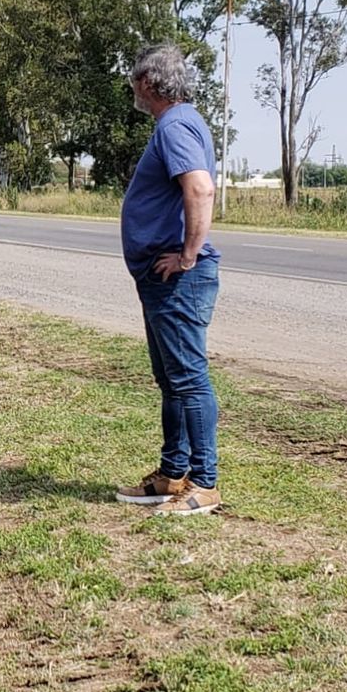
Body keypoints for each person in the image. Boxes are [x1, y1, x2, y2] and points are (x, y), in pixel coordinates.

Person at [115, 44, 222, 515]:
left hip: (177, 279)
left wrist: (187, 256)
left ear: (149, 85)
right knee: (172, 380)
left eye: (135, 81)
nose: (133, 89)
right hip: (160, 279)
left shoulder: (176, 124)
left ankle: (206, 484)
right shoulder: (179, 122)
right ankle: (172, 474)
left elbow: (199, 187)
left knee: (189, 380)